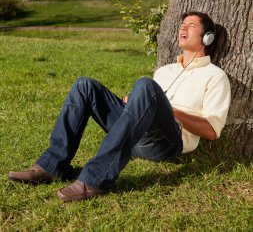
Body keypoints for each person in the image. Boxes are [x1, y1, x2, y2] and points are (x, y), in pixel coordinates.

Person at [8, 11, 231, 202]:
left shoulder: (215, 76)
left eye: (191, 26)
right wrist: (136, 102)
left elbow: (211, 130)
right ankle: (52, 166)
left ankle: (95, 179)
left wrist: (165, 108)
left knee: (145, 85)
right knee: (85, 85)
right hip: (135, 138)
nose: (183, 28)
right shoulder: (165, 71)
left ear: (207, 37)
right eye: (182, 25)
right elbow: (145, 100)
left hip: (167, 143)